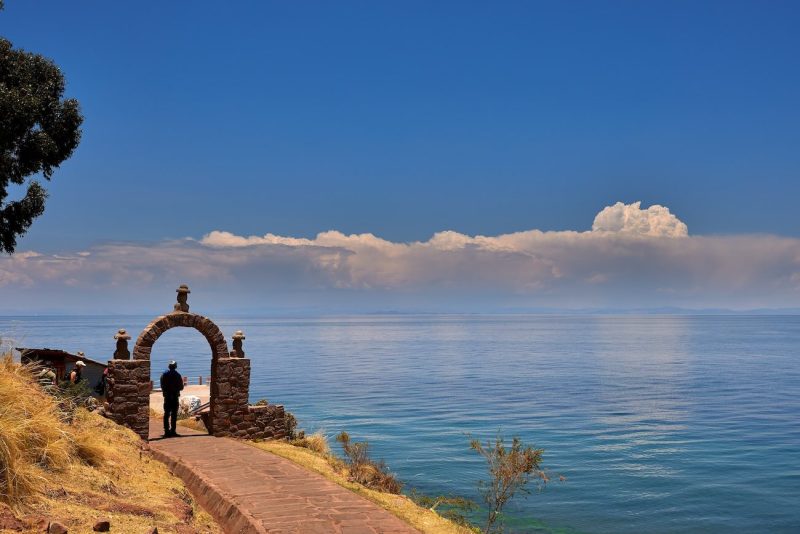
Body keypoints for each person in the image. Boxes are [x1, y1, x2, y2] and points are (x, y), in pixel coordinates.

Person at [160, 360, 184, 437]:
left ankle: (166, 431)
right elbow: (181, 387)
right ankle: (173, 430)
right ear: (175, 366)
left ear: (169, 366)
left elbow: (162, 385)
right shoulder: (178, 375)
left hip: (167, 397)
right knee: (174, 414)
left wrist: (166, 390)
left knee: (166, 414)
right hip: (175, 397)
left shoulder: (164, 374)